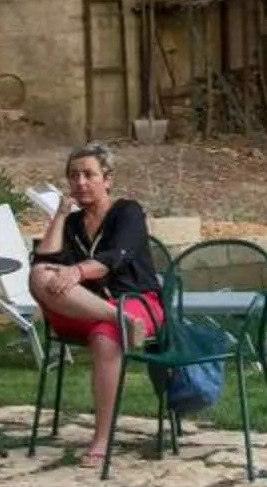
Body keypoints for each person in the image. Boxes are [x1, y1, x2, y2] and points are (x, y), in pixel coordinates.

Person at [27, 144, 169, 470]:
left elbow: (115, 257)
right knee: (38, 275)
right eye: (73, 176)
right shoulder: (73, 223)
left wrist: (76, 271)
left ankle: (101, 440)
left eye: (89, 174)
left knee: (107, 338)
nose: (80, 182)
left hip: (137, 302)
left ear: (107, 179)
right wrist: (60, 216)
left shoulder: (127, 211)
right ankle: (117, 318)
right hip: (87, 308)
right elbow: (45, 262)